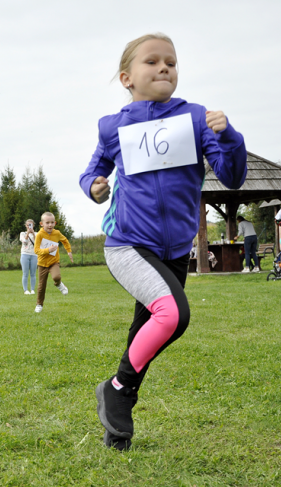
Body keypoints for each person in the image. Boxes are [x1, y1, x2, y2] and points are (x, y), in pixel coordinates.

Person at [78, 33, 247, 450]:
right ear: (126, 78)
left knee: (147, 331)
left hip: (174, 252)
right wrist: (94, 186)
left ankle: (117, 415)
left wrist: (230, 138)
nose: (164, 68)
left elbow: (232, 176)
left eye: (170, 61)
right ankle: (117, 391)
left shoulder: (194, 118)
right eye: (151, 62)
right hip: (128, 245)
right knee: (172, 316)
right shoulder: (112, 127)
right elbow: (91, 172)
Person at [33, 212, 73, 313]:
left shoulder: (57, 233)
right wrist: (48, 250)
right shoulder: (39, 235)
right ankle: (39, 305)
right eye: (47, 223)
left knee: (56, 277)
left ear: (54, 223)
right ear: (42, 224)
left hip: (53, 262)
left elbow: (65, 240)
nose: (50, 225)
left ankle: (59, 284)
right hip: (42, 264)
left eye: (52, 222)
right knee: (41, 286)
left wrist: (69, 251)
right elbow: (36, 250)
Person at [19, 219, 38, 294]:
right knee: (25, 273)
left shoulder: (37, 234)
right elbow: (24, 242)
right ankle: (25, 290)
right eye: (28, 225)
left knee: (33, 273)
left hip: (34, 254)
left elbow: (37, 243)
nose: (29, 226)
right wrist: (27, 234)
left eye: (31, 225)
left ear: (33, 225)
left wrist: (33, 234)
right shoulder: (22, 233)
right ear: (26, 226)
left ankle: (32, 289)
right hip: (25, 254)